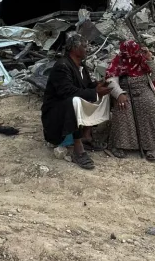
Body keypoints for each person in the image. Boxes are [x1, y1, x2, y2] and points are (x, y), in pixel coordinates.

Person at [42, 34, 111, 170]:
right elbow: (66, 92)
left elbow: (84, 87)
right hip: (56, 113)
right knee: (75, 101)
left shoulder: (80, 65)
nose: (88, 49)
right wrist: (95, 92)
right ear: (74, 48)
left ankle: (86, 136)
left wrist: (98, 85)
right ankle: (78, 149)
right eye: (84, 46)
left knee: (104, 96)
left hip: (67, 106)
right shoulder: (62, 66)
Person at [105, 40, 155, 162]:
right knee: (123, 109)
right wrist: (119, 93)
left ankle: (150, 146)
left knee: (148, 106)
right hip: (125, 91)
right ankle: (120, 144)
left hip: (143, 89)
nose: (137, 53)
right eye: (135, 51)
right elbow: (110, 80)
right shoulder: (118, 61)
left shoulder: (143, 59)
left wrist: (150, 58)